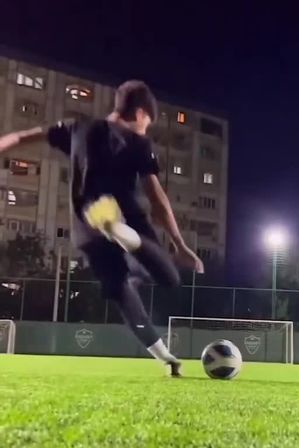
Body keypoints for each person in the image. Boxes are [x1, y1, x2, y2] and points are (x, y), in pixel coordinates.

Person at [0, 79, 204, 376]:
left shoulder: (77, 128)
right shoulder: (137, 142)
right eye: (147, 124)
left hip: (87, 231)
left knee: (122, 289)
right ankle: (123, 234)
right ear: (140, 114)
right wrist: (180, 244)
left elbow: (21, 136)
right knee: (169, 277)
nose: (146, 130)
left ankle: (166, 358)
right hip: (128, 221)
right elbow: (157, 198)